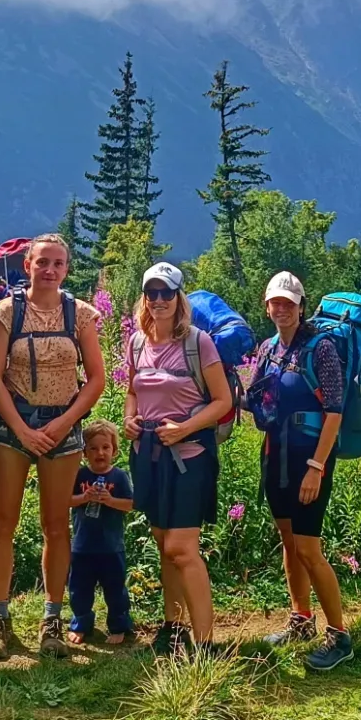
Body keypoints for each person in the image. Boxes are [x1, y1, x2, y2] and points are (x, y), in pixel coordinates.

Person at [0, 233, 107, 659]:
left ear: (67, 269)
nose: (49, 270)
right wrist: (22, 430)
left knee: (56, 525)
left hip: (62, 427)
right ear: (27, 265)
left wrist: (64, 422)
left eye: (58, 263)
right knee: (3, 522)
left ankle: (51, 619)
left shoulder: (81, 315)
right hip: (10, 425)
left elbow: (96, 379)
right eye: (42, 262)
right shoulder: (6, 312)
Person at [123, 262, 232, 656]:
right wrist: (129, 419)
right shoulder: (137, 342)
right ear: (144, 298)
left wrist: (184, 428)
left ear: (179, 297)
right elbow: (133, 391)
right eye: (151, 293)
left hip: (190, 456)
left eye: (166, 293)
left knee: (182, 549)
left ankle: (205, 645)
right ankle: (173, 628)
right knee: (162, 543)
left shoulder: (198, 343)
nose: (158, 300)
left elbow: (223, 401)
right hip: (149, 455)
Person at [249, 271, 354, 671]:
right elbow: (256, 398)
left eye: (288, 303)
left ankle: (339, 636)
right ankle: (301, 620)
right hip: (275, 456)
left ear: (301, 306)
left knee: (308, 548)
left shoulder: (321, 348)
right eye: (275, 302)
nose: (281, 309)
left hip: (310, 460)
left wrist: (316, 466)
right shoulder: (268, 348)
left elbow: (334, 412)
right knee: (289, 542)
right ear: (266, 306)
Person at [66, 420, 134, 646]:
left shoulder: (119, 476)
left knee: (115, 589)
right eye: (93, 448)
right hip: (82, 547)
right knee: (79, 589)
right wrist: (84, 497)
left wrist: (110, 500)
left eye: (105, 447)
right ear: (84, 452)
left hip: (111, 547)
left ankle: (119, 625)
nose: (100, 453)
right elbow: (66, 500)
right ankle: (81, 624)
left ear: (114, 450)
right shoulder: (79, 475)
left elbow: (130, 505)